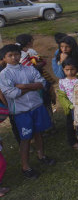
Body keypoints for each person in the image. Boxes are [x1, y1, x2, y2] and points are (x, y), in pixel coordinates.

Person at [0, 44, 54, 179]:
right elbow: (12, 93)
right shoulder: (4, 74)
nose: (14, 57)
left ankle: (41, 155)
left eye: (16, 54)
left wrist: (23, 86)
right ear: (4, 58)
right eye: (10, 55)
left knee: (38, 133)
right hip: (20, 111)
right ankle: (25, 167)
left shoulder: (29, 68)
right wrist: (32, 86)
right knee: (25, 139)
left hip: (36, 106)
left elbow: (41, 83)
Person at [58, 58, 78, 163]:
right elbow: (62, 97)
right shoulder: (62, 82)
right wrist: (70, 106)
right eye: (66, 70)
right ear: (63, 70)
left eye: (72, 69)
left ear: (76, 68)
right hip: (74, 109)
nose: (69, 72)